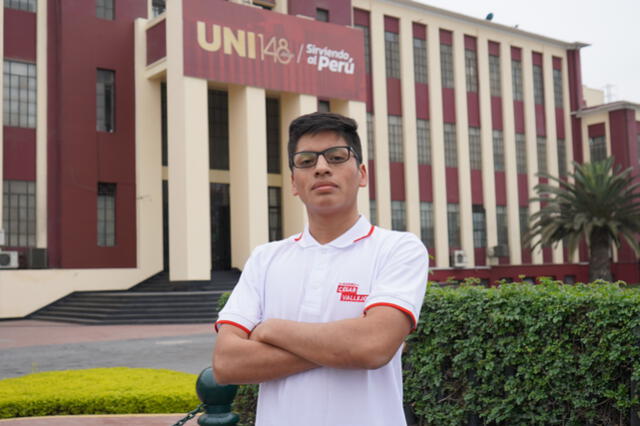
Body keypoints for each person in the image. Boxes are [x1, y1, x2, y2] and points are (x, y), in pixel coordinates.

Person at [213, 112, 428, 426]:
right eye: (306, 161)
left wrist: (272, 329)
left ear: (362, 173)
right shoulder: (266, 259)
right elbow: (226, 363)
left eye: (337, 157)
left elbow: (372, 347)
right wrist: (345, 349)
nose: (322, 168)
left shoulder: (397, 249)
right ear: (293, 183)